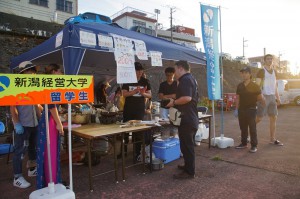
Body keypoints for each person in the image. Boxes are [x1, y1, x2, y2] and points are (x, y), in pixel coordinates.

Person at [10, 61, 40, 188]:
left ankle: (32, 169)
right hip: (23, 125)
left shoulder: (34, 87)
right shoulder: (16, 87)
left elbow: (37, 106)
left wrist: (41, 119)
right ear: (23, 73)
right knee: (20, 151)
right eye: (30, 71)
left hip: (34, 124)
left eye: (33, 72)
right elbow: (13, 107)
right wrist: (17, 123)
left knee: (33, 147)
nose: (32, 74)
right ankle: (17, 177)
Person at [166, 60, 198, 179]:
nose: (174, 73)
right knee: (185, 145)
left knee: (187, 146)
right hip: (188, 117)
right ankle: (187, 166)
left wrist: (173, 102)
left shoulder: (185, 79)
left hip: (187, 118)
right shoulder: (190, 78)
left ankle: (190, 172)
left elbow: (187, 98)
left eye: (175, 70)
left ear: (180, 68)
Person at [36, 63, 64, 189]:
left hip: (47, 119)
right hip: (50, 121)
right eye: (60, 71)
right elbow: (52, 106)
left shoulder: (46, 84)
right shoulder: (50, 85)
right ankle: (51, 182)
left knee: (48, 151)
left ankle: (50, 181)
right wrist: (59, 123)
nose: (61, 74)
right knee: (50, 152)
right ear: (54, 72)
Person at [121, 62, 152, 159]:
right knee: (125, 131)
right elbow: (124, 94)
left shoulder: (145, 81)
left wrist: (143, 93)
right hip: (128, 109)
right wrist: (134, 91)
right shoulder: (127, 81)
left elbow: (150, 95)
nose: (139, 72)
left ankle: (137, 153)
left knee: (138, 132)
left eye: (140, 70)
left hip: (139, 110)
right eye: (137, 70)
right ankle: (123, 151)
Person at [235, 67, 265, 153]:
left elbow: (260, 98)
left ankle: (254, 145)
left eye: (246, 73)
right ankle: (244, 143)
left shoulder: (255, 86)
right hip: (241, 110)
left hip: (251, 109)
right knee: (243, 127)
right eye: (243, 73)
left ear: (250, 74)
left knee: (252, 128)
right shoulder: (239, 86)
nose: (244, 74)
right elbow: (237, 98)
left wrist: (262, 108)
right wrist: (236, 109)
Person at [255, 54, 283, 146]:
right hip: (263, 96)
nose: (270, 60)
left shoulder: (275, 71)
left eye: (271, 59)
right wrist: (260, 97)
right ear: (264, 60)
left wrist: (278, 98)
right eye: (268, 59)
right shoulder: (261, 71)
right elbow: (257, 86)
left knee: (274, 117)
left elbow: (275, 86)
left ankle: (272, 139)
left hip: (272, 97)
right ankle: (247, 134)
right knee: (259, 118)